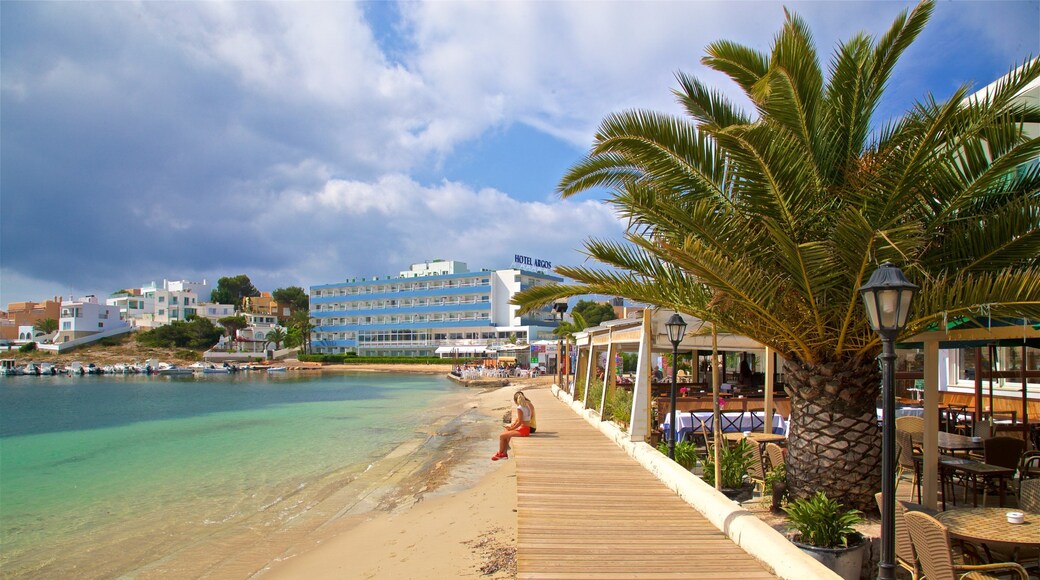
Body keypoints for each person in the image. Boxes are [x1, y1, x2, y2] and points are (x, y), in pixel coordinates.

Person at [492, 391, 532, 461]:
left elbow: (519, 422)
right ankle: (504, 453)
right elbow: (521, 419)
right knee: (506, 432)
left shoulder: (519, 408)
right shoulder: (526, 406)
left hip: (523, 430)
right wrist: (511, 427)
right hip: (526, 429)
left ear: (515, 400)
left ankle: (500, 454)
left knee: (502, 436)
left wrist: (511, 428)